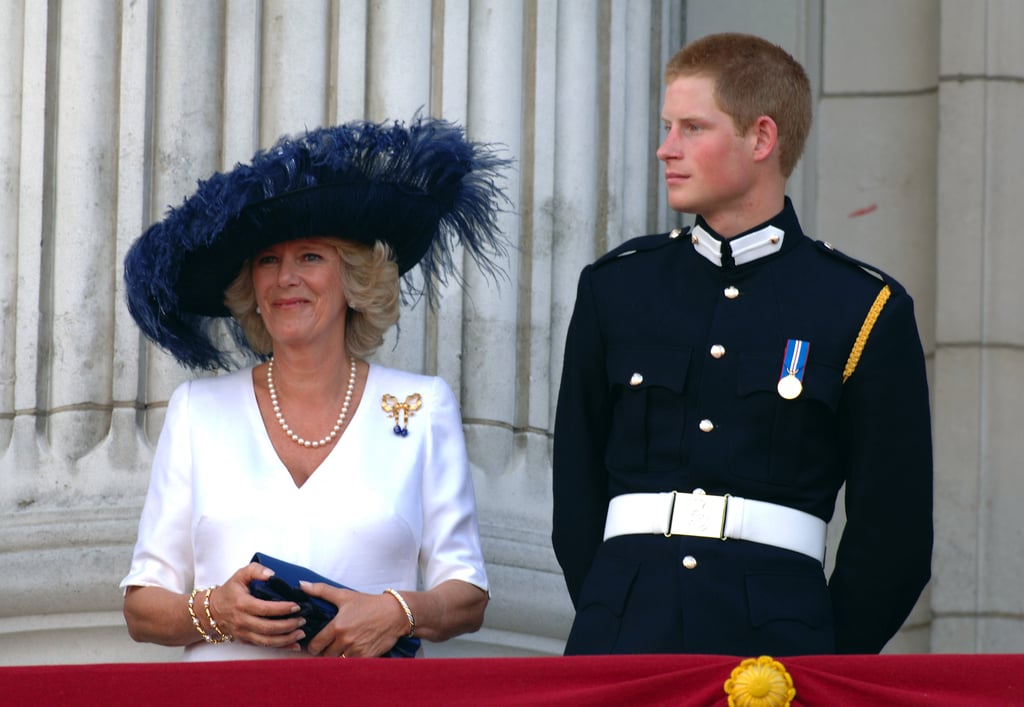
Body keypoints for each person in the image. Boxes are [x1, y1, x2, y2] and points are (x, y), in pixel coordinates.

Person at [552, 32, 933, 656]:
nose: (665, 149)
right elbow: (576, 496)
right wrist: (609, 607)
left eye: (692, 128)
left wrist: (817, 663)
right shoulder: (616, 287)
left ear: (761, 138)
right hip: (621, 633)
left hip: (777, 650)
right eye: (667, 126)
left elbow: (893, 537)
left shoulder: (861, 307)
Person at [120, 117, 510, 660]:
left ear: (354, 278)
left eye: (310, 257)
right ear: (250, 288)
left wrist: (397, 612)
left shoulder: (421, 408)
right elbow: (143, 606)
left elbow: (466, 594)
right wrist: (215, 610)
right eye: (268, 261)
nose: (286, 279)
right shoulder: (197, 411)